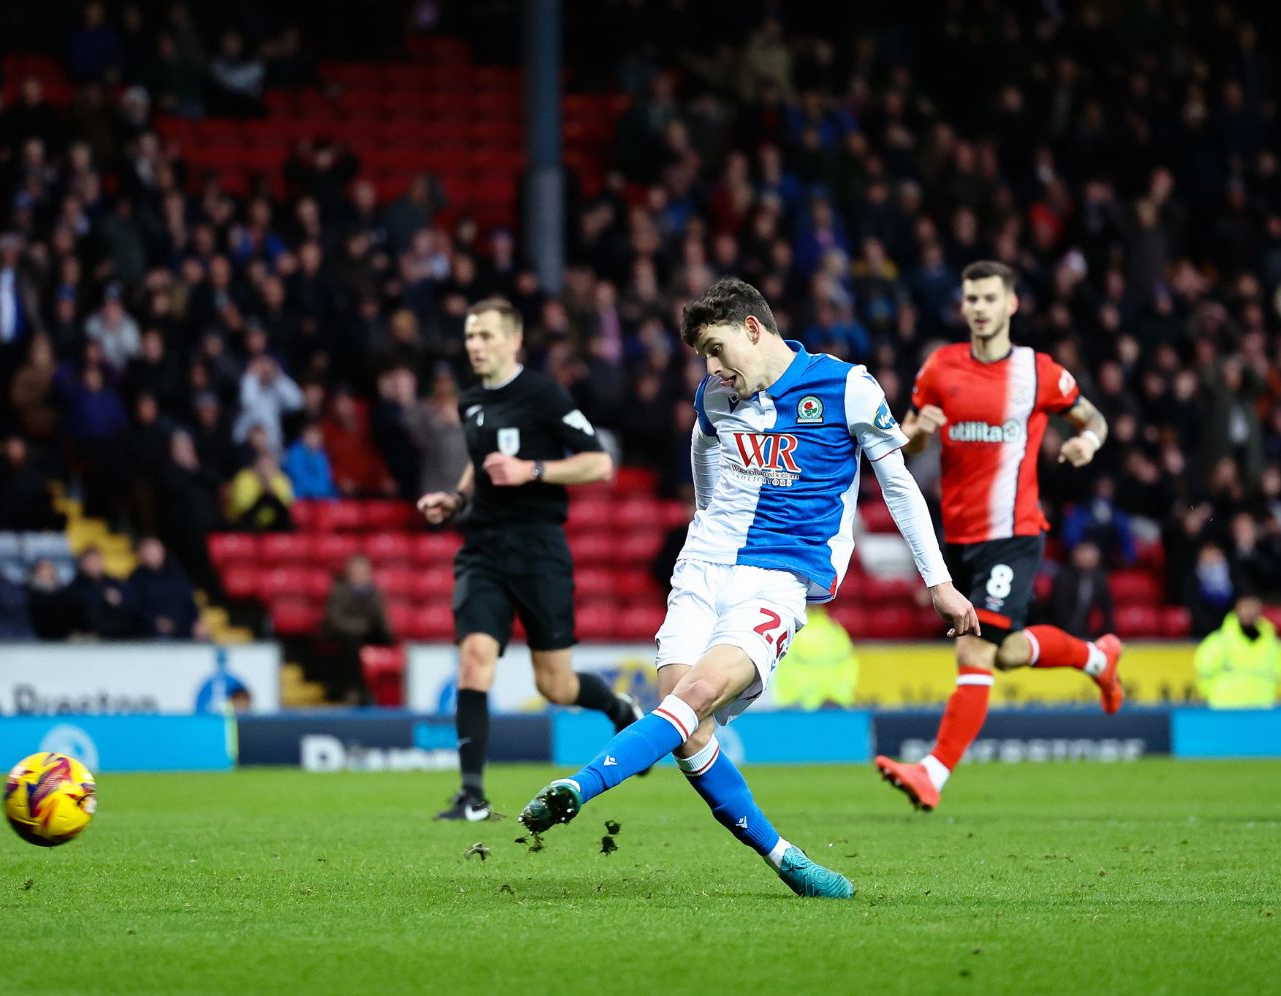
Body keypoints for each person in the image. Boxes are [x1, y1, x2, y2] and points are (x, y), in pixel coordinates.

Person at [516, 278, 979, 899]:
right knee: (688, 729)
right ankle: (787, 860)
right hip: (702, 568)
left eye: (715, 349)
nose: (710, 369)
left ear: (752, 329)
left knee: (695, 697)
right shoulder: (715, 396)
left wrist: (939, 583)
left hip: (777, 578)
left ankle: (580, 786)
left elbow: (897, 486)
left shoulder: (846, 387)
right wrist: (707, 533)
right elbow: (704, 466)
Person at [873, 262, 1124, 809]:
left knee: (975, 651)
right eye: (970, 299)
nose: (979, 308)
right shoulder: (940, 368)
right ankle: (1098, 660)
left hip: (1014, 533)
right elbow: (907, 443)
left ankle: (932, 774)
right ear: (962, 307)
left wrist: (1089, 444)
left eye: (989, 298)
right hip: (958, 538)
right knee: (1006, 653)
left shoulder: (1039, 373)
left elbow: (1094, 419)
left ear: (1011, 304)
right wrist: (916, 434)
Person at [416, 297, 640, 822]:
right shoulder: (470, 400)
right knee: (474, 658)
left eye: (486, 336)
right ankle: (472, 795)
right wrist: (456, 498)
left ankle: (618, 708)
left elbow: (599, 464)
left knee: (554, 685)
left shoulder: (542, 393)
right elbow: (480, 465)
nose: (476, 345)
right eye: (470, 336)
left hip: (539, 549)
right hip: (484, 549)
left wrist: (531, 471)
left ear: (514, 340)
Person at [317, 554, 395, 704]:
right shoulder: (338, 591)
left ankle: (387, 692)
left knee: (388, 640)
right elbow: (335, 620)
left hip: (367, 635)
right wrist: (361, 627)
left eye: (363, 571)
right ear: (349, 573)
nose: (360, 575)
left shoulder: (375, 593)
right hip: (344, 637)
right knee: (351, 645)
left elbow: (381, 620)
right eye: (356, 571)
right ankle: (356, 690)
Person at [1194, 590, 1281, 709]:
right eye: (1245, 607)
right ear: (1236, 609)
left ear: (1260, 609)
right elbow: (1204, 678)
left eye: (1253, 606)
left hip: (1262, 712)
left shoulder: (1273, 644)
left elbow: (1278, 677)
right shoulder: (1217, 642)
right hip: (1226, 712)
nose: (1249, 612)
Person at [771, 609, 859, 709]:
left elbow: (848, 666)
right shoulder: (835, 630)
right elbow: (849, 668)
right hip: (830, 707)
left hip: (799, 708)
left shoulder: (792, 631)